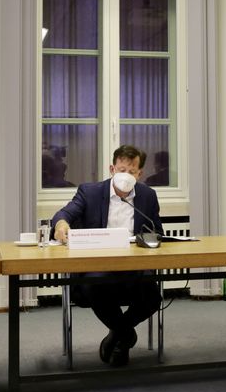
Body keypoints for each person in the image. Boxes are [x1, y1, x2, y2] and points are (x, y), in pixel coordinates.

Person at [52, 145, 163, 367]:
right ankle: (126, 336)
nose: (126, 176)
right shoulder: (90, 192)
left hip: (134, 268)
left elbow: (156, 232)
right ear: (112, 169)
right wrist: (61, 224)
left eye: (132, 172)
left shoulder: (148, 196)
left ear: (139, 174)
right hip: (98, 270)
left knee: (153, 296)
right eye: (122, 170)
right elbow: (64, 214)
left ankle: (117, 334)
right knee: (97, 283)